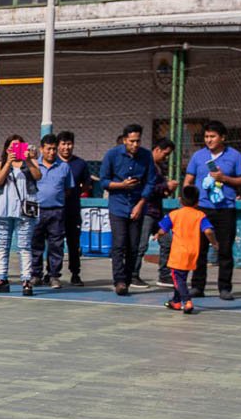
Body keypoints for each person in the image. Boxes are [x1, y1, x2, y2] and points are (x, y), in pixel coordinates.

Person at [182, 121, 241, 300]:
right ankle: (197, 286)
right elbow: (188, 179)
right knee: (199, 249)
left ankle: (225, 288)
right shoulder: (198, 156)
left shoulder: (234, 156)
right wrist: (186, 199)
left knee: (225, 249)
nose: (209, 140)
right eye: (206, 137)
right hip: (201, 209)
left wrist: (224, 178)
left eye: (213, 136)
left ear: (222, 137)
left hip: (226, 209)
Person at [97, 124, 156, 296]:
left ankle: (129, 278)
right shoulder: (112, 155)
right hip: (118, 206)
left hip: (137, 206)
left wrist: (140, 204)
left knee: (134, 246)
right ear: (124, 140)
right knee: (119, 244)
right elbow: (104, 181)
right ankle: (119, 281)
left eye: (138, 141)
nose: (135, 144)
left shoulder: (146, 156)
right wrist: (121, 185)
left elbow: (150, 182)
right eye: (132, 141)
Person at [0, 135, 43, 295]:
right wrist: (8, 163)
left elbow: (38, 176)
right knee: (2, 245)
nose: (15, 149)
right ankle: (2, 278)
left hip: (25, 210)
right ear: (7, 149)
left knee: (24, 246)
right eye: (13, 146)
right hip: (4, 209)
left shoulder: (31, 162)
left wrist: (28, 160)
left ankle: (26, 279)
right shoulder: (1, 164)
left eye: (19, 146)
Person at [156, 184, 217, 314]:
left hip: (178, 253)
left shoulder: (174, 214)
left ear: (180, 200)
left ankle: (187, 301)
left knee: (177, 279)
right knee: (181, 277)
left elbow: (162, 230)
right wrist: (214, 243)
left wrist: (158, 234)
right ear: (197, 202)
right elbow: (208, 231)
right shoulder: (200, 215)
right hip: (193, 252)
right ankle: (176, 301)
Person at [29, 134, 75, 288]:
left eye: (54, 149)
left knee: (56, 245)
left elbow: (68, 189)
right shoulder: (34, 165)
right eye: (48, 149)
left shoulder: (64, 166)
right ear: (42, 149)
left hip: (57, 211)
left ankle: (54, 275)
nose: (51, 152)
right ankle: (36, 275)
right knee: (35, 244)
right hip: (36, 210)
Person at [138, 137, 178, 288]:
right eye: (165, 154)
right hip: (147, 210)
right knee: (141, 245)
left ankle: (164, 275)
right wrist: (165, 186)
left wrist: (167, 189)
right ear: (157, 150)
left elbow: (158, 190)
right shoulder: (145, 166)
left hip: (157, 211)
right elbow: (146, 188)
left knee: (167, 241)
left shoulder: (159, 167)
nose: (166, 158)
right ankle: (133, 274)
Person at [57, 131, 90, 285]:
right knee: (55, 243)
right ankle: (52, 273)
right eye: (63, 144)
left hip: (73, 210)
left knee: (73, 243)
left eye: (69, 144)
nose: (66, 147)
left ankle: (75, 273)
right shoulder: (53, 162)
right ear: (58, 146)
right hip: (55, 210)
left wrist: (75, 192)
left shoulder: (80, 164)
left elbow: (87, 185)